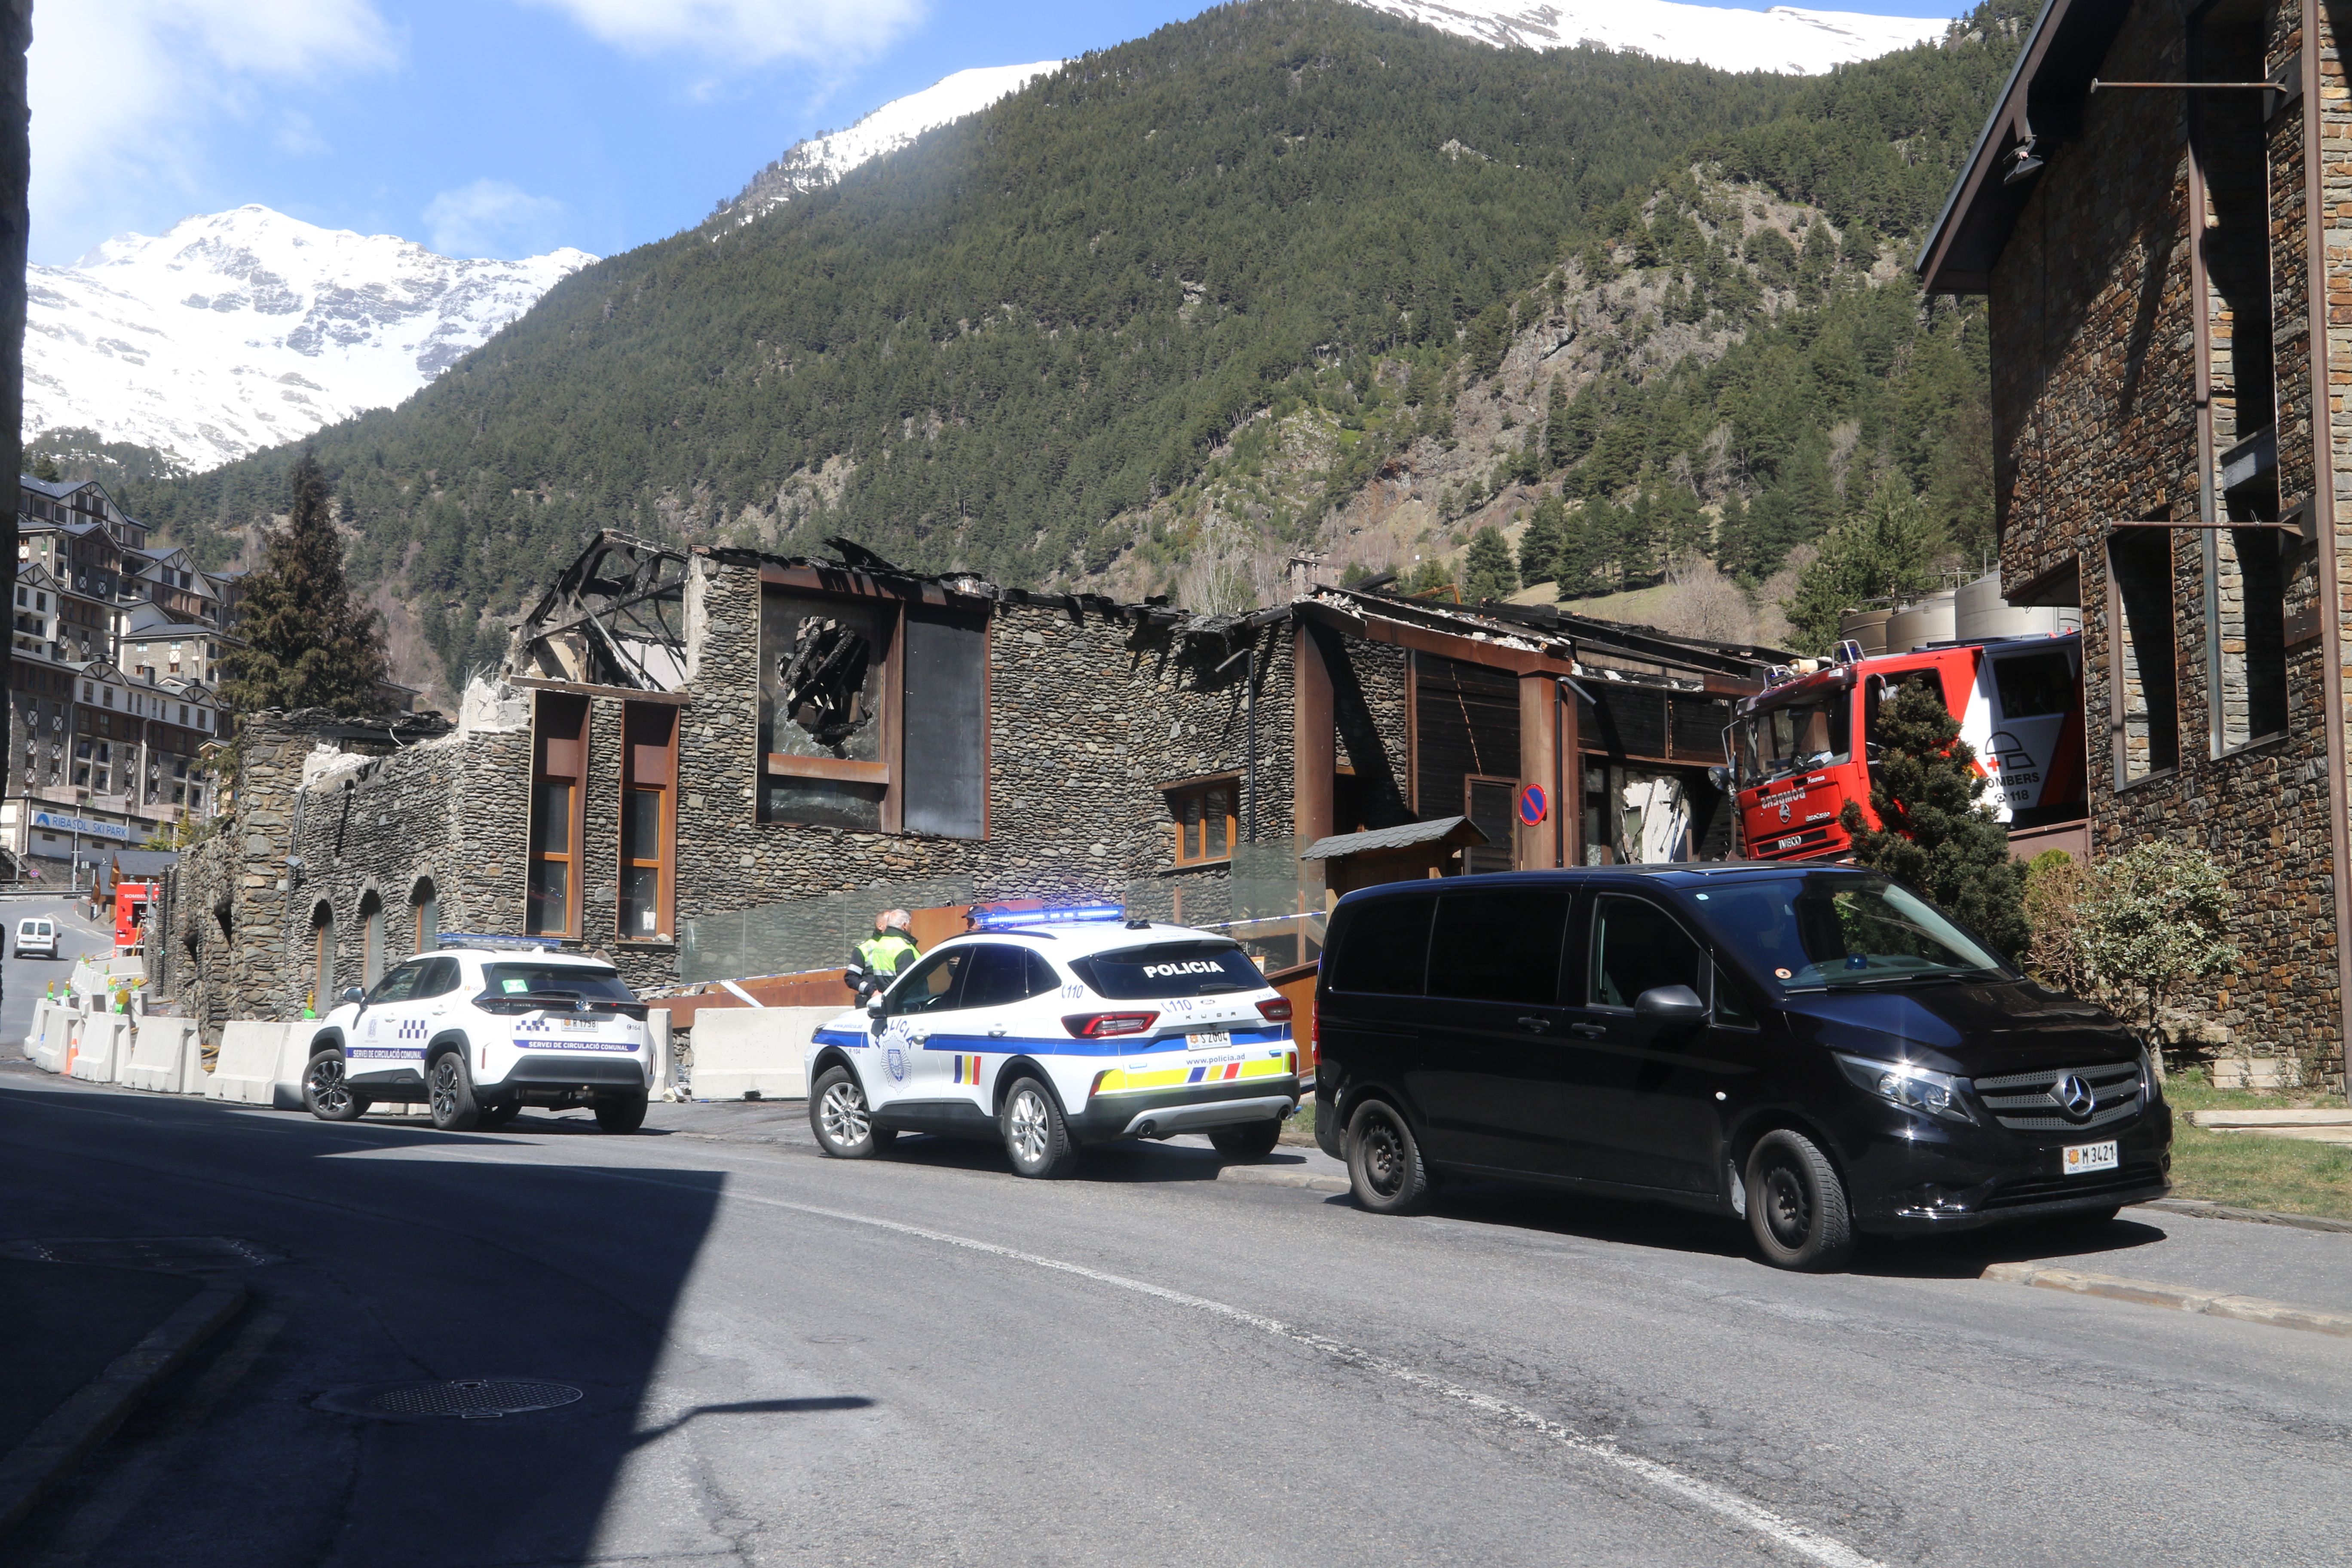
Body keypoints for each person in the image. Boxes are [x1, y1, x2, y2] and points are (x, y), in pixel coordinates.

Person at [851, 910, 919, 984]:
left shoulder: (893, 944)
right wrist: (871, 991)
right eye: (889, 921)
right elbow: (851, 977)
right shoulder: (865, 948)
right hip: (875, 994)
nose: (893, 924)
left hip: (887, 993)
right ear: (880, 926)